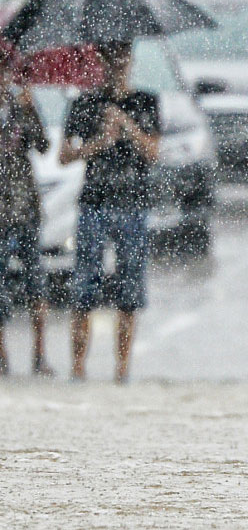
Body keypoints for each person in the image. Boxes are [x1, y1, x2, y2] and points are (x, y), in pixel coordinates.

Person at [58, 42, 159, 383]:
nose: (118, 64)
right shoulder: (84, 103)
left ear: (130, 60)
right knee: (84, 288)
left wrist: (128, 126)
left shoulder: (146, 101)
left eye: (123, 57)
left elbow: (153, 152)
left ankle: (121, 369)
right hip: (94, 203)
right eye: (111, 58)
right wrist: (99, 142)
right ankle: (78, 367)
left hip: (133, 205)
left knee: (129, 291)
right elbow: (63, 155)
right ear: (101, 61)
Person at [0, 57, 50, 375]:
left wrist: (30, 110)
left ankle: (39, 355)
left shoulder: (21, 106)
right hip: (2, 211)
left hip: (26, 206)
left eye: (5, 72)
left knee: (37, 284)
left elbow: (44, 146)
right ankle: (3, 355)